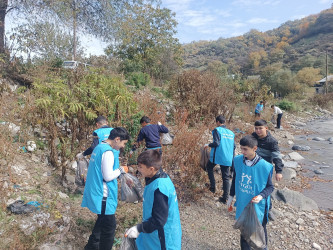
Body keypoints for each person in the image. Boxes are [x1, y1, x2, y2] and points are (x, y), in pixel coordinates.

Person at [81, 127, 130, 250]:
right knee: (109, 229)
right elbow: (108, 176)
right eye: (123, 143)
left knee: (101, 223)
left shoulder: (99, 147)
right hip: (104, 197)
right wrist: (121, 169)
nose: (123, 147)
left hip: (96, 193)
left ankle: (90, 247)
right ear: (117, 139)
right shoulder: (108, 152)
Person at [125, 150, 182, 250]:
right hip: (153, 232)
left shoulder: (160, 188)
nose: (138, 170)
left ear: (151, 169)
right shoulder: (157, 176)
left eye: (140, 167)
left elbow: (159, 221)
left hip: (162, 236)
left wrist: (139, 228)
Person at [227, 135, 274, 250]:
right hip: (243, 202)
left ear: (255, 148)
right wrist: (231, 196)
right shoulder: (237, 160)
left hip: (258, 205)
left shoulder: (265, 166)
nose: (242, 152)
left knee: (260, 230)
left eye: (245, 149)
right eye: (241, 148)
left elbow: (270, 187)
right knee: (244, 232)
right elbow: (236, 179)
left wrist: (261, 196)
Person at [205, 115, 235, 204]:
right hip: (228, 157)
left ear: (218, 122)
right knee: (226, 177)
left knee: (209, 167)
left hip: (218, 156)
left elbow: (216, 143)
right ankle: (225, 198)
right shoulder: (231, 133)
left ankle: (213, 187)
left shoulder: (217, 130)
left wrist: (208, 145)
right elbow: (234, 146)